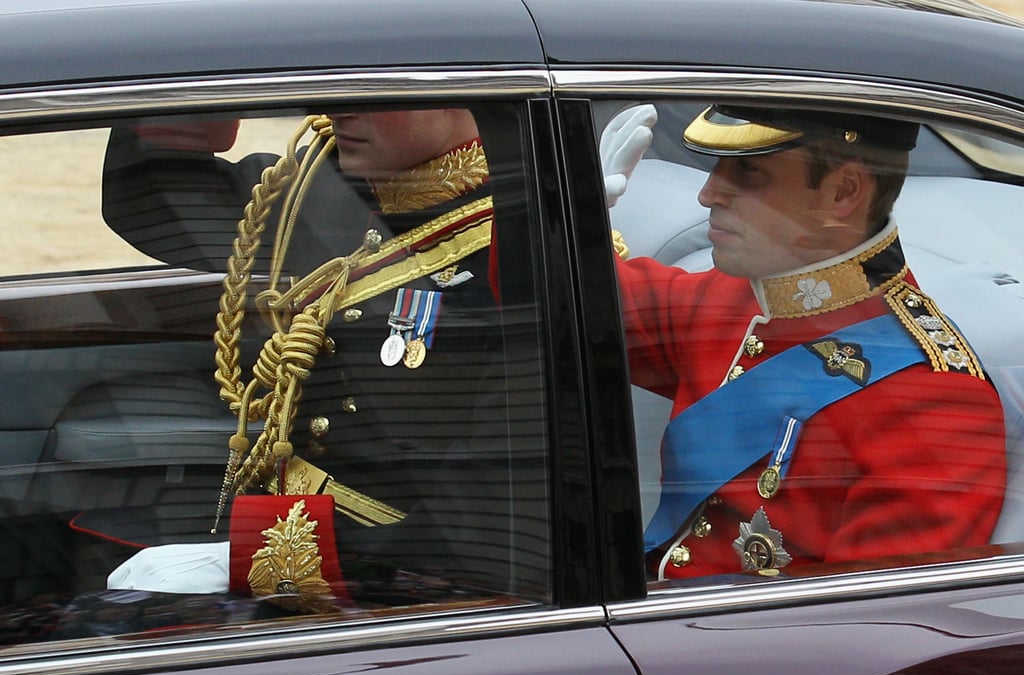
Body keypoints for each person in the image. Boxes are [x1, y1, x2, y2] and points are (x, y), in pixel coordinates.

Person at [100, 108, 548, 606]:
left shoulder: (525, 254)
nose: (338, 105)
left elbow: (493, 527)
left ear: (461, 94)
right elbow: (146, 195)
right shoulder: (322, 185)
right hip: (279, 517)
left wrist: (253, 559)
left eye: (373, 88)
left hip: (394, 589)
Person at [611, 104, 1007, 580]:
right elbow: (563, 307)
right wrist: (553, 214)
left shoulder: (935, 401)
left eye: (749, 173)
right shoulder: (735, 297)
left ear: (843, 192)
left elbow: (867, 629)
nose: (707, 193)